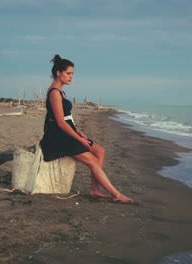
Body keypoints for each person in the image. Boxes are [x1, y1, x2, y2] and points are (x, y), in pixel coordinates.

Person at [39, 54, 136, 204]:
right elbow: (60, 122)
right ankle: (116, 194)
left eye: (72, 74)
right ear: (59, 73)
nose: (71, 77)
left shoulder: (61, 92)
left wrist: (78, 131)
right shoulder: (54, 93)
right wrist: (78, 139)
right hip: (58, 136)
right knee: (92, 161)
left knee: (100, 151)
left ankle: (95, 189)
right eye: (68, 73)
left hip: (68, 132)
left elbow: (67, 118)